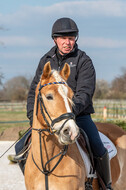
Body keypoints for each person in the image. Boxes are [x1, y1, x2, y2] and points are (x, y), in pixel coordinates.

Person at [9, 17, 112, 189]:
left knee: (97, 145)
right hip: (48, 118)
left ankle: (105, 184)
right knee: (20, 146)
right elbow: (34, 92)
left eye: (71, 38)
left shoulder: (83, 61)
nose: (67, 42)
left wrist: (69, 113)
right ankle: (31, 179)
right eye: (63, 38)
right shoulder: (45, 61)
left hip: (77, 116)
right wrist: (32, 117)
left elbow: (85, 93)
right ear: (55, 39)